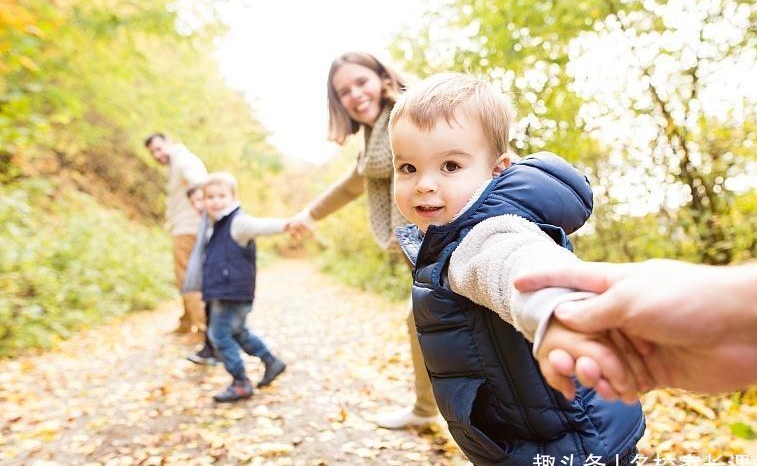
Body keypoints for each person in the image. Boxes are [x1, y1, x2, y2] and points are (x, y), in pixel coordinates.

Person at [390, 73, 644, 465]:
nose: (424, 184)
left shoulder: (486, 233)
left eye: (451, 165)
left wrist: (557, 310)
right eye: (407, 168)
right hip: (543, 436)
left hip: (567, 446)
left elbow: (517, 265)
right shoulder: (449, 236)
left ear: (497, 170)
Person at [285, 51, 440, 429]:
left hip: (458, 240)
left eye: (361, 82)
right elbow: (350, 185)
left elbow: (473, 149)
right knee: (422, 320)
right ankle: (426, 409)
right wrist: (308, 215)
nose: (354, 95)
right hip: (425, 252)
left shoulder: (416, 114)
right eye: (343, 91)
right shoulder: (374, 143)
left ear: (382, 78)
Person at [512, 254, 757, 400]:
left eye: (463, 164)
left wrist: (551, 306)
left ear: (499, 167)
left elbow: (514, 256)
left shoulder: (497, 219)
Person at [199, 172, 288, 403]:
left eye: (222, 196)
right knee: (238, 332)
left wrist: (288, 224)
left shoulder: (237, 222)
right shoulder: (214, 224)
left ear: (233, 197)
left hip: (232, 291)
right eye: (210, 196)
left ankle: (240, 382)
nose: (215, 201)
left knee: (218, 334)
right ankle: (271, 361)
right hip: (226, 290)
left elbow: (260, 225)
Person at [145, 133, 208, 339]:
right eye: (153, 151)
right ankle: (188, 321)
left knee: (188, 279)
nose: (157, 154)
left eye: (159, 148)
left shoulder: (184, 160)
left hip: (189, 227)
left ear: (169, 143)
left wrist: (201, 208)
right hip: (186, 227)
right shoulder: (176, 164)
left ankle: (204, 329)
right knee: (186, 277)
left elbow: (199, 183)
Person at [182, 183, 218, 366]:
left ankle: (216, 352)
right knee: (210, 312)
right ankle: (209, 349)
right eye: (193, 202)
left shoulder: (214, 219)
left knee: (217, 316)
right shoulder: (204, 220)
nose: (197, 205)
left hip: (215, 277)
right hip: (207, 277)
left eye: (199, 200)